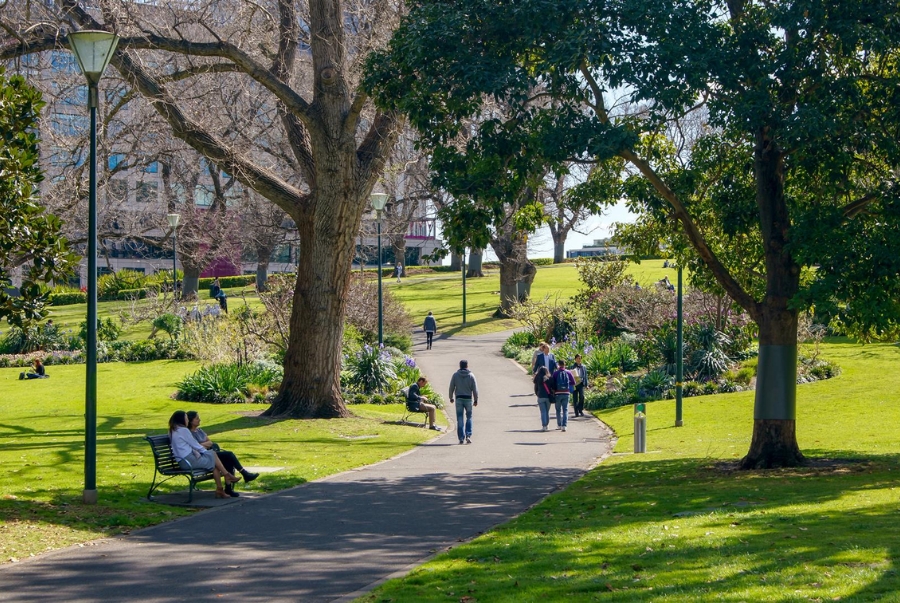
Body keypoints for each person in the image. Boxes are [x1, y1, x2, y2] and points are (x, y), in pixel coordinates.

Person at [167, 410, 240, 499]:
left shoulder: (173, 430)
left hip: (183, 460)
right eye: (186, 418)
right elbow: (195, 444)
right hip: (188, 461)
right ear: (181, 420)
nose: (187, 420)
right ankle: (227, 476)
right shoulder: (183, 430)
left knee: (214, 462)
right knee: (213, 456)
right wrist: (206, 453)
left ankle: (220, 488)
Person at [186, 411, 259, 497]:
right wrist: (204, 445)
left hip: (210, 453)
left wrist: (202, 445)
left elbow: (210, 442)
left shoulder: (199, 430)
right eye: (197, 418)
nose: (199, 420)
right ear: (191, 421)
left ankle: (229, 488)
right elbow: (196, 447)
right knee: (229, 455)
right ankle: (244, 474)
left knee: (228, 460)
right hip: (203, 456)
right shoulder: (189, 433)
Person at [448, 359, 479, 444]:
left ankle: (461, 438)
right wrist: (476, 400)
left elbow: (451, 387)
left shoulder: (455, 375)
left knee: (460, 418)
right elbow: (475, 389)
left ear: (460, 366)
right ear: (467, 366)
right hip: (468, 399)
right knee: (469, 417)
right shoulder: (471, 375)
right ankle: (468, 435)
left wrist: (451, 397)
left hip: (459, 398)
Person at [550, 360, 575, 432]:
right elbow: (573, 382)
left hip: (558, 393)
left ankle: (559, 424)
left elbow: (552, 383)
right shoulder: (568, 372)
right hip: (566, 393)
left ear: (558, 365)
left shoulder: (555, 373)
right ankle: (564, 425)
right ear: (564, 364)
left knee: (558, 410)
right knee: (565, 410)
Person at [533, 365, 553, 432]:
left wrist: (537, 394)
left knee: (543, 411)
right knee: (547, 411)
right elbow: (552, 387)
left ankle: (544, 426)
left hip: (540, 396)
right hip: (548, 397)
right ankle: (547, 425)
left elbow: (536, 388)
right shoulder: (549, 378)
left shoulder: (537, 378)